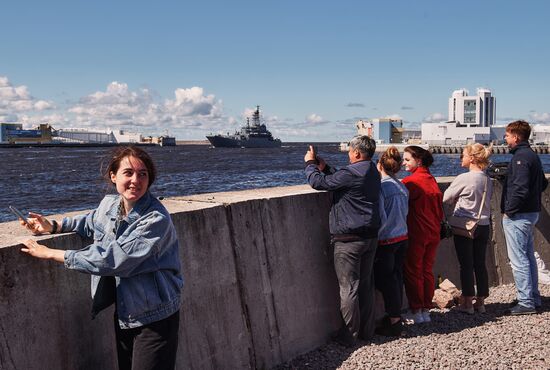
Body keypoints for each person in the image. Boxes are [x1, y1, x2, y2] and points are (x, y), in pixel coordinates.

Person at [19, 146, 183, 370]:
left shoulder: (155, 219)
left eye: (143, 174)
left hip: (156, 317)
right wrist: (53, 226)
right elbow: (89, 222)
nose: (136, 180)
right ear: (113, 176)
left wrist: (52, 253)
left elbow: (114, 259)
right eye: (128, 173)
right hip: (128, 313)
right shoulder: (110, 204)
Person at [304, 136, 380, 346]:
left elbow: (318, 183)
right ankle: (367, 331)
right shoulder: (372, 170)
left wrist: (311, 164)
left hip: (349, 239)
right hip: (370, 236)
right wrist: (326, 166)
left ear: (356, 153)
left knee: (349, 288)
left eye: (349, 151)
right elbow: (342, 180)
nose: (348, 154)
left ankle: (349, 336)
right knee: (365, 285)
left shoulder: (351, 172)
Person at [501, 120, 548, 315]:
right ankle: (533, 298)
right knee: (528, 257)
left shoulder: (520, 157)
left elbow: (520, 188)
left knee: (518, 259)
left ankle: (526, 302)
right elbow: (543, 184)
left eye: (507, 135)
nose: (505, 138)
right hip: (531, 213)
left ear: (516, 136)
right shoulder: (532, 156)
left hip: (518, 216)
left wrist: (509, 210)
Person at [443, 143, 493, 314]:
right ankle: (481, 302)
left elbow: (446, 198)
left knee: (466, 265)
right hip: (484, 225)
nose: (461, 158)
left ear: (471, 158)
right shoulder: (487, 179)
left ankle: (467, 303)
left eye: (463, 155)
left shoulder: (464, 178)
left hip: (466, 226)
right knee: (480, 264)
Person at [401, 145, 443, 324]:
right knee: (427, 270)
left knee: (413, 271)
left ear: (418, 161)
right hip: (434, 232)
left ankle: (416, 310)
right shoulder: (431, 179)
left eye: (407, 159)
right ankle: (425, 308)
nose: (403, 163)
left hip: (417, 232)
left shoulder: (411, 182)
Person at [373, 146, 408, 336]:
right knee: (396, 278)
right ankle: (396, 315)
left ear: (379, 165)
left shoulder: (382, 187)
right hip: (402, 237)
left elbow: (381, 216)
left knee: (386, 281)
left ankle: (394, 321)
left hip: (387, 240)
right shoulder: (401, 186)